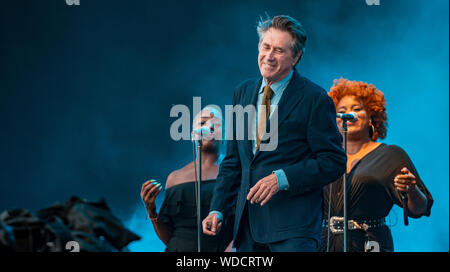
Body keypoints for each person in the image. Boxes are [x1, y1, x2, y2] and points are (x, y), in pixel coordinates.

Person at [202, 15, 347, 252]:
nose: (269, 56)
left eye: (279, 50)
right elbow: (233, 162)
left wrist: (283, 178)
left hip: (295, 231)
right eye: (265, 46)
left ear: (296, 57)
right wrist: (217, 208)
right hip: (248, 229)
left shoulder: (314, 99)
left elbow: (334, 161)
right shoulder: (242, 92)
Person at [320, 78, 433, 252]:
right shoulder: (325, 155)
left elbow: (419, 209)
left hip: (370, 243)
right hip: (324, 243)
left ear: (372, 116)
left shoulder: (391, 155)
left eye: (357, 109)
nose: (349, 114)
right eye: (341, 111)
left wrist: (411, 189)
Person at [140, 107, 233, 252]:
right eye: (202, 123)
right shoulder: (175, 178)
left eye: (217, 124)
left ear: (224, 135)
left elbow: (247, 226)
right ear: (192, 135)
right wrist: (151, 210)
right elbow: (169, 237)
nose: (210, 127)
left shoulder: (236, 173)